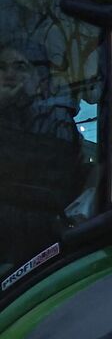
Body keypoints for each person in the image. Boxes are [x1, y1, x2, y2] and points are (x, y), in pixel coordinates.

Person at [0, 42, 84, 273]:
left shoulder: (56, 121)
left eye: (20, 66)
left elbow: (26, 169)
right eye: (3, 67)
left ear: (39, 79)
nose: (9, 74)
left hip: (40, 243)